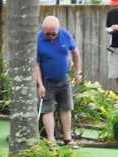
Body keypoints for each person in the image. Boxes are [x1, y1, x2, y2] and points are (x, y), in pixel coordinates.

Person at [36, 16, 82, 147]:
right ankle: (51, 140)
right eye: (47, 34)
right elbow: (36, 64)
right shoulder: (38, 40)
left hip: (64, 79)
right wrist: (40, 84)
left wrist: (78, 71)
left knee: (66, 108)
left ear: (58, 29)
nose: (50, 36)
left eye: (53, 34)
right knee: (47, 109)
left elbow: (75, 52)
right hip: (47, 81)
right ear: (43, 30)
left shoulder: (65, 35)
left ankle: (67, 138)